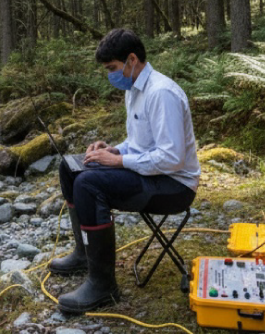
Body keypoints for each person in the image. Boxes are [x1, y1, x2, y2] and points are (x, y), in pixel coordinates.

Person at [52, 28, 200, 314]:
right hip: (151, 175)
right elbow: (139, 143)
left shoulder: (161, 93)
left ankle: (103, 286)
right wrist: (114, 151)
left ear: (132, 60)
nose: (110, 76)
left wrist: (118, 162)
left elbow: (171, 159)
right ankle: (84, 255)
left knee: (89, 184)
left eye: (112, 68)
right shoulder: (134, 90)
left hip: (173, 187)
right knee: (70, 168)